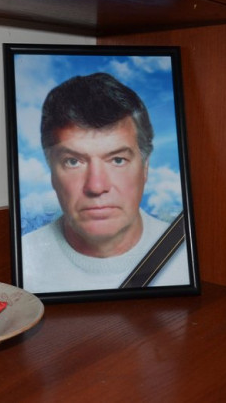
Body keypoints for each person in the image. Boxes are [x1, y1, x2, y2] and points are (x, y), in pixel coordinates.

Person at [21, 72, 189, 293]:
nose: (96, 186)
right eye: (73, 161)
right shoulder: (25, 262)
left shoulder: (184, 256)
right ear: (51, 171)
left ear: (145, 167)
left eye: (117, 160)